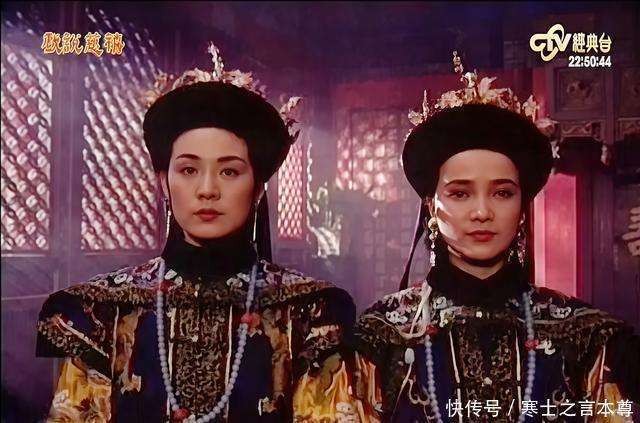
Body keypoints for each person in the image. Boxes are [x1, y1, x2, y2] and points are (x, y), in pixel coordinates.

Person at [36, 43, 373, 422]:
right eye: (188, 170)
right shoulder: (101, 311)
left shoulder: (312, 312)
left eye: (229, 171)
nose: (207, 189)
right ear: (164, 183)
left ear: (257, 187)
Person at [353, 54, 640, 422]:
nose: (482, 212)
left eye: (502, 193)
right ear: (430, 205)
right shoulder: (382, 335)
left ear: (522, 207)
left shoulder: (587, 337)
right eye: (460, 193)